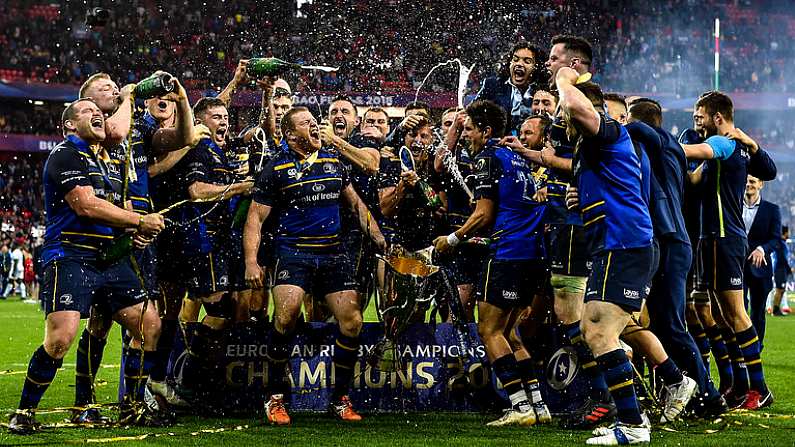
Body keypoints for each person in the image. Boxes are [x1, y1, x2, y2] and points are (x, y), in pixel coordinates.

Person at [8, 99, 165, 434]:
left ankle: (133, 406)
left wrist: (132, 232)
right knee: (61, 338)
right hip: (69, 254)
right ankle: (24, 412)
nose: (97, 114)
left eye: (100, 111)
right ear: (68, 125)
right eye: (85, 111)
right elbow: (86, 205)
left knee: (149, 324)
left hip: (108, 258)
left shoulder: (106, 162)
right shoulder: (65, 154)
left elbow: (114, 209)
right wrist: (139, 219)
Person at [243, 106, 385, 425]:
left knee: (352, 322)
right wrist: (252, 261)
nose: (316, 127)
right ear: (291, 135)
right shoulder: (276, 168)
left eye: (314, 122)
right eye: (307, 124)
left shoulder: (334, 161)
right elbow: (255, 218)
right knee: (287, 314)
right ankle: (276, 396)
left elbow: (355, 203)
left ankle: (339, 399)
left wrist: (377, 235)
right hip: (293, 252)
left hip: (333, 253)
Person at [558, 70, 655, 444]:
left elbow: (575, 105)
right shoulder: (589, 148)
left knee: (599, 330)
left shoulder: (611, 130)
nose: (562, 122)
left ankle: (633, 424)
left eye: (563, 117)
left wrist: (565, 79)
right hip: (612, 245)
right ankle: (632, 414)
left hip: (624, 243)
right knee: (593, 329)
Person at [625, 98, 726, 418]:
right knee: (663, 324)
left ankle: (708, 395)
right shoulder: (660, 148)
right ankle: (687, 391)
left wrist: (606, 122)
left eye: (627, 117)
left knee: (671, 324)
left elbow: (639, 127)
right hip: (666, 240)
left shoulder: (660, 139)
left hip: (669, 240)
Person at [681, 90, 777, 410]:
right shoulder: (721, 153)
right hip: (711, 239)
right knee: (721, 316)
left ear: (717, 117)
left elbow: (770, 170)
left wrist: (659, 144)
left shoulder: (724, 145)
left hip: (726, 238)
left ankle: (759, 388)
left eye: (700, 115)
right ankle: (737, 384)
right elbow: (694, 180)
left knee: (735, 313)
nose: (696, 120)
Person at [543, 34, 615, 429]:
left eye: (555, 59)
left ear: (574, 63)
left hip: (579, 228)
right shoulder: (580, 103)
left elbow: (584, 165)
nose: (549, 64)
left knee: (578, 318)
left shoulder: (583, 104)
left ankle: (607, 394)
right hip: (579, 224)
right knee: (597, 318)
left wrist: (552, 162)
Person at [742, 175, 781, 349]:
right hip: (737, 267)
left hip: (761, 268)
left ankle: (756, 347)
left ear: (761, 185)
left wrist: (762, 249)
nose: (749, 184)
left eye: (753, 181)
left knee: (758, 312)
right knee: (738, 310)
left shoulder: (772, 209)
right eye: (747, 181)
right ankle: (740, 347)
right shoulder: (732, 205)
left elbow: (776, 240)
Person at [475, 42, 546, 133]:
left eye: (527, 61)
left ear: (536, 67)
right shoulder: (492, 85)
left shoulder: (542, 91)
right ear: (509, 63)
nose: (519, 64)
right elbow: (473, 113)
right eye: (515, 59)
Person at [772, 226, 791, 316]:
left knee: (782, 289)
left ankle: (777, 308)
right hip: (780, 269)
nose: (789, 234)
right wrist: (788, 268)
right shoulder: (780, 243)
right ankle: (775, 310)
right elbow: (781, 258)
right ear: (785, 233)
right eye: (788, 232)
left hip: (782, 269)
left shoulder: (782, 242)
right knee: (779, 289)